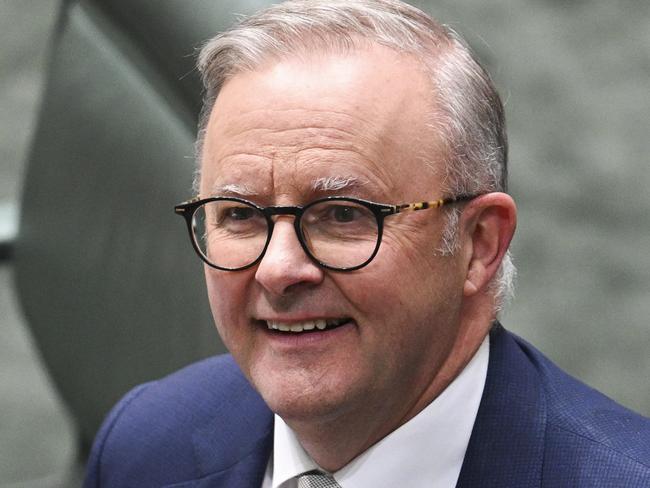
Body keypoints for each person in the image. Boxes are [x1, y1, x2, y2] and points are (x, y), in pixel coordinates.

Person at [84, 1, 650, 486]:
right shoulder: (145, 446)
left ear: (479, 244)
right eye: (240, 215)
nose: (278, 269)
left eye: (342, 215)